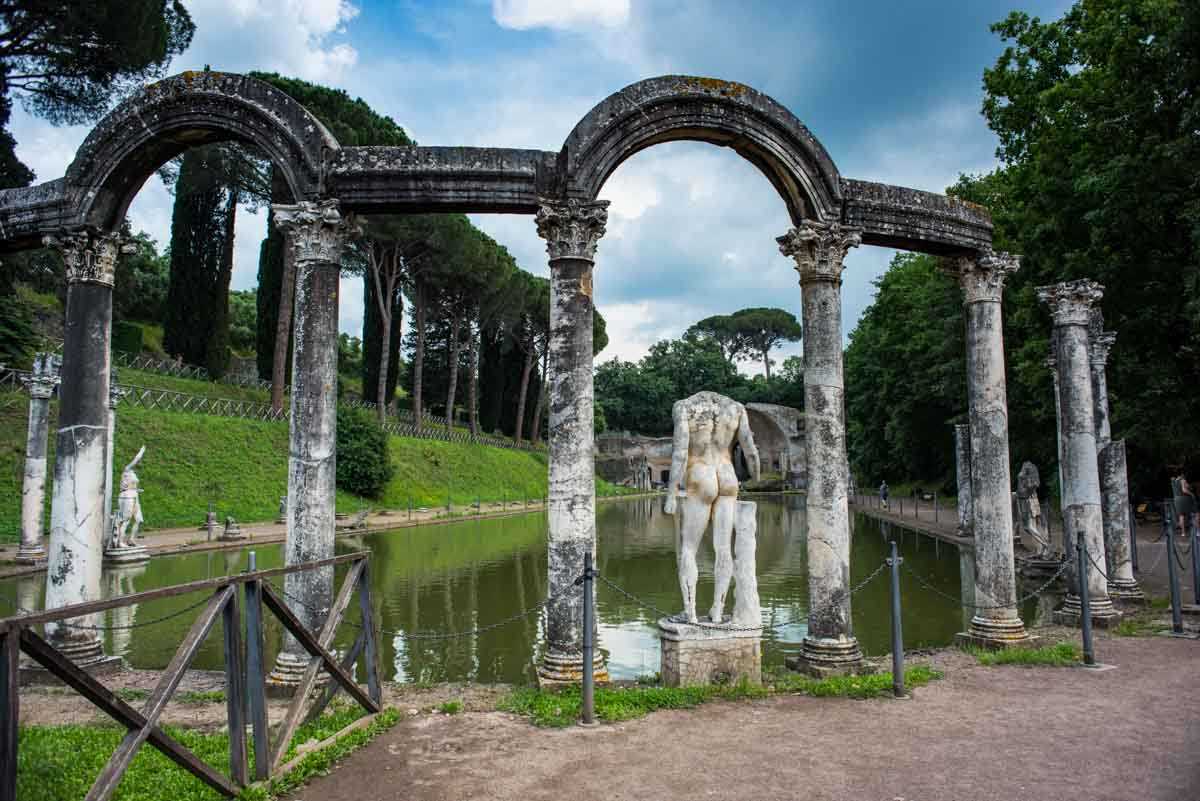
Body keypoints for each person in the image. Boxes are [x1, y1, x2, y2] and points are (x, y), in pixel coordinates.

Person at [1172, 469, 1196, 539]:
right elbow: (1184, 490)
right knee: (1193, 513)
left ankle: (1183, 533)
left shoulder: (1174, 480)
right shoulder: (1183, 480)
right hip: (1183, 499)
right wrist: (1191, 494)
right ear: (1182, 474)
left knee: (1181, 516)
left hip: (1176, 499)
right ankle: (1195, 531)